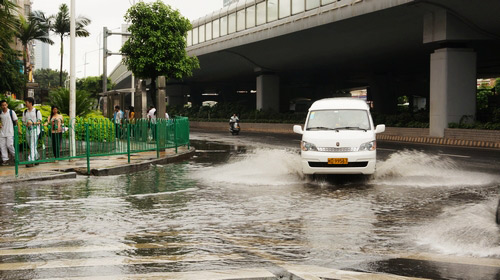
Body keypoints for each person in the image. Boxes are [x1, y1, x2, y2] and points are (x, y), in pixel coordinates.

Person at [22, 97, 42, 167]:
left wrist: (32, 123)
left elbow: (39, 121)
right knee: (31, 145)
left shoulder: (37, 111)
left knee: (32, 145)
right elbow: (23, 122)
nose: (25, 104)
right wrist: (26, 124)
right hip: (28, 130)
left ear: (30, 103)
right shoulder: (24, 112)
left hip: (35, 130)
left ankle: (30, 160)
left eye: (26, 102)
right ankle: (37, 157)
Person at [0, 100, 18, 166]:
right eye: (2, 105)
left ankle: (15, 156)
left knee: (9, 145)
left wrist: (18, 129)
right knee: (2, 146)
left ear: (7, 104)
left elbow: (16, 120)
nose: (4, 106)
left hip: (10, 132)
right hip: (2, 132)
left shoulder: (11, 112)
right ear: (1, 106)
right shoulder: (0, 113)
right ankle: (5, 160)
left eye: (5, 105)